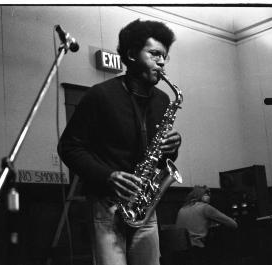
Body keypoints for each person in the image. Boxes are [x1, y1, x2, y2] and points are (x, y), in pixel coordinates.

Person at [58, 19, 182, 265]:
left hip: (145, 206)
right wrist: (109, 176)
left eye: (165, 57)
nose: (161, 62)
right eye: (155, 54)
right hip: (107, 205)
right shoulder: (100, 95)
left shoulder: (162, 100)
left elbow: (160, 160)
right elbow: (69, 147)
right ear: (131, 55)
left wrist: (172, 149)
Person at [175, 185, 238, 265]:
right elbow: (233, 224)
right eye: (206, 194)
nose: (209, 196)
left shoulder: (182, 209)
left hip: (179, 252)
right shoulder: (205, 207)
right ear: (200, 195)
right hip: (197, 251)